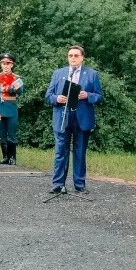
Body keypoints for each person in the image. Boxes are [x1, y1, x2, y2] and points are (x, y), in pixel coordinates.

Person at [45, 44, 104, 194]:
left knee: (79, 152)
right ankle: (58, 184)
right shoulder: (58, 73)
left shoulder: (92, 74)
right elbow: (48, 96)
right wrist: (57, 98)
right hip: (62, 117)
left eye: (76, 55)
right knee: (60, 151)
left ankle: (79, 184)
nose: (73, 58)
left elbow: (99, 96)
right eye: (70, 55)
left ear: (82, 58)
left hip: (81, 118)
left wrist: (88, 96)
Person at [0, 52, 23, 165]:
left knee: (12, 134)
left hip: (11, 108)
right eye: (3, 63)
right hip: (0, 108)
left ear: (12, 65)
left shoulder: (16, 78)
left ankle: (12, 158)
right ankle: (5, 157)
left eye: (8, 63)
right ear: (1, 64)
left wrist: (13, 88)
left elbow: (20, 92)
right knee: (1, 134)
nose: (5, 66)